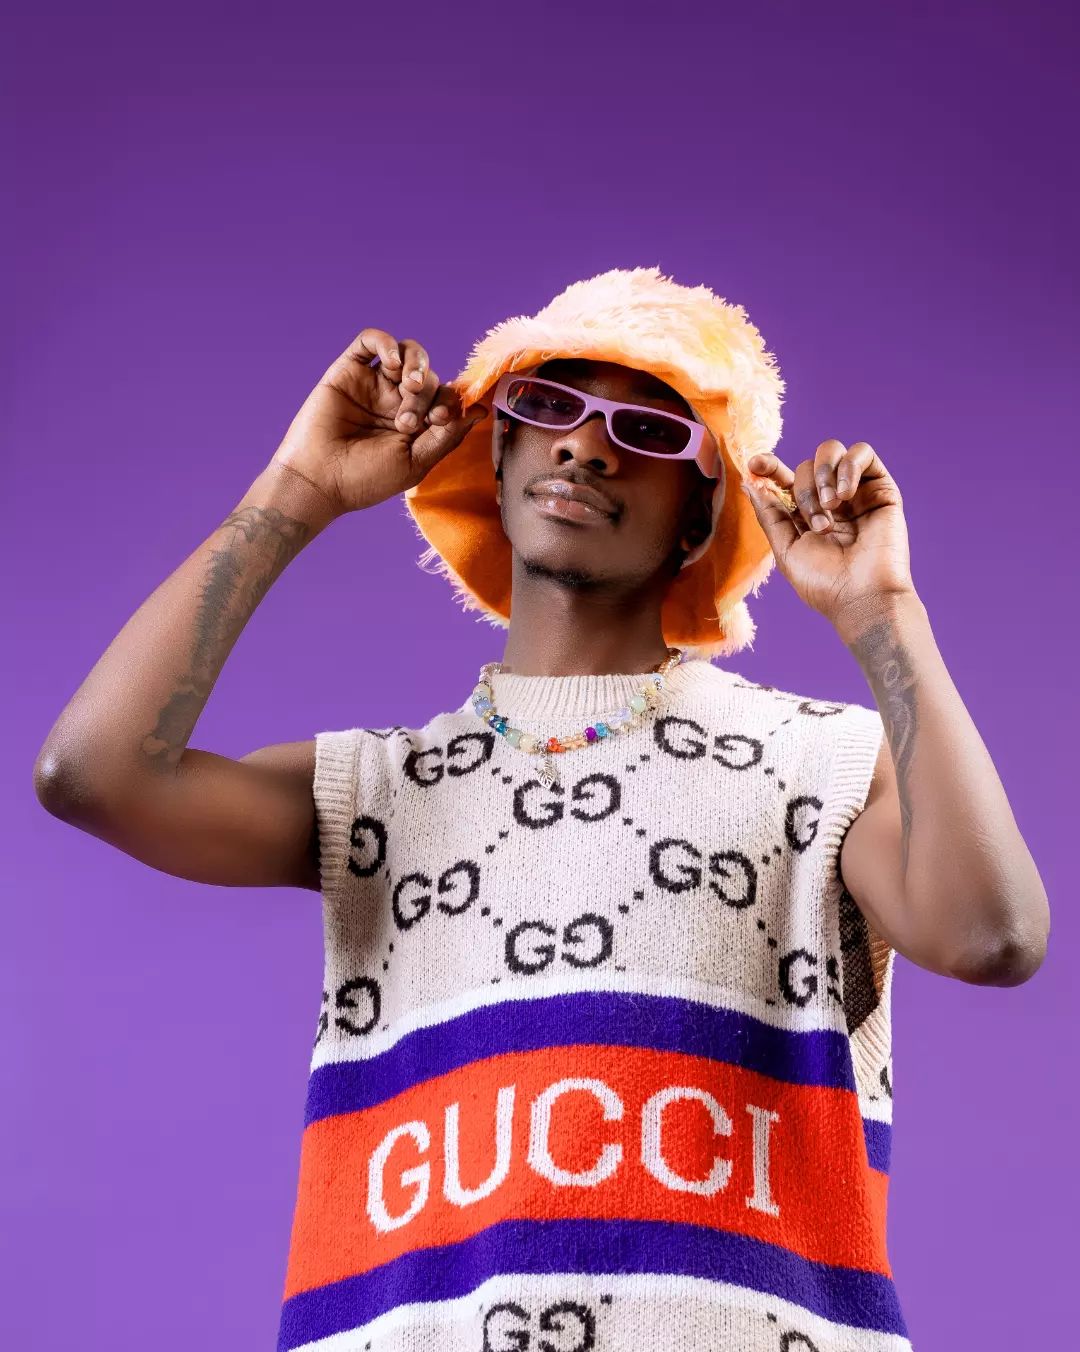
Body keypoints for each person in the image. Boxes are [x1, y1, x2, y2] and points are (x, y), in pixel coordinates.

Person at [34, 267, 1049, 1351]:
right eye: (551, 403)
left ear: (702, 514)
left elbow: (991, 935)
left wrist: (884, 613)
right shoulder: (379, 792)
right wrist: (296, 489)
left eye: (649, 429)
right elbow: (93, 774)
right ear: (500, 450)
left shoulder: (819, 763)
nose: (587, 447)